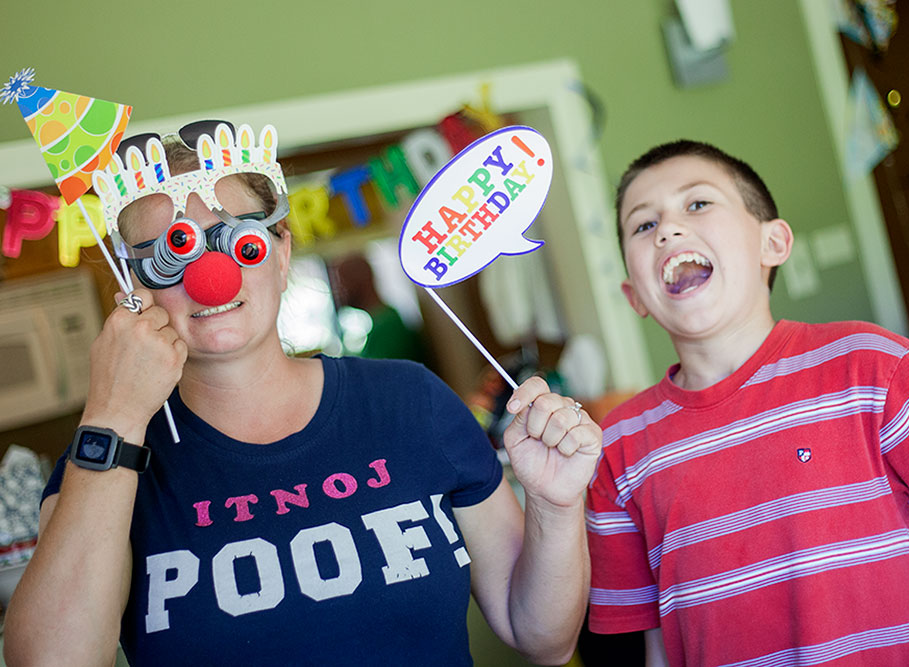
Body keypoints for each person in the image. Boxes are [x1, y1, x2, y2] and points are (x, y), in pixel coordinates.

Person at [3, 121, 601, 666]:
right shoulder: (106, 461)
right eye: (170, 253)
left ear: (283, 251)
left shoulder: (410, 401)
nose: (212, 278)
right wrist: (113, 413)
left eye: (239, 241)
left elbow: (542, 639)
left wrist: (554, 505)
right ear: (134, 282)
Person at [585, 140, 909, 666]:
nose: (667, 230)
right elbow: (659, 649)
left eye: (697, 204)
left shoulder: (869, 365)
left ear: (773, 243)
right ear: (634, 296)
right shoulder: (618, 445)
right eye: (644, 225)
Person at [331, 252, 428, 363]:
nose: (339, 290)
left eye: (342, 281)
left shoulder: (388, 327)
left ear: (362, 278)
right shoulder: (380, 324)